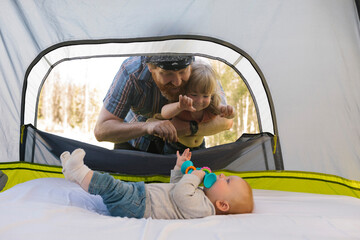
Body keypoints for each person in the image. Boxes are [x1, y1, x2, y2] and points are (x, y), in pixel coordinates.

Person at [60, 148, 254, 219]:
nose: (221, 175)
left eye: (226, 180)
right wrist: (179, 168)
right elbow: (176, 187)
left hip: (140, 206)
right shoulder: (202, 196)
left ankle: (79, 171)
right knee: (113, 188)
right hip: (141, 197)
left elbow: (180, 195)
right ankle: (74, 175)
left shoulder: (204, 209)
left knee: (110, 186)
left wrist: (195, 174)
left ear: (222, 204)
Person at [94, 56, 233, 153]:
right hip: (134, 145)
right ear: (150, 67)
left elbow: (226, 122)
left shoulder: (199, 71)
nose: (177, 82)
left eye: (183, 72)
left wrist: (187, 128)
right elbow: (101, 131)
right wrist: (148, 127)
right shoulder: (132, 73)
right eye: (168, 74)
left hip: (180, 149)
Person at [160, 61, 235, 154]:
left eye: (205, 96)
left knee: (200, 168)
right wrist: (179, 106)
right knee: (175, 168)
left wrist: (230, 112)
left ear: (211, 95)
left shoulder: (211, 106)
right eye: (194, 94)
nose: (199, 101)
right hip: (175, 148)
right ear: (185, 90)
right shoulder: (183, 104)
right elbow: (164, 113)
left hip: (199, 147)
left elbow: (228, 116)